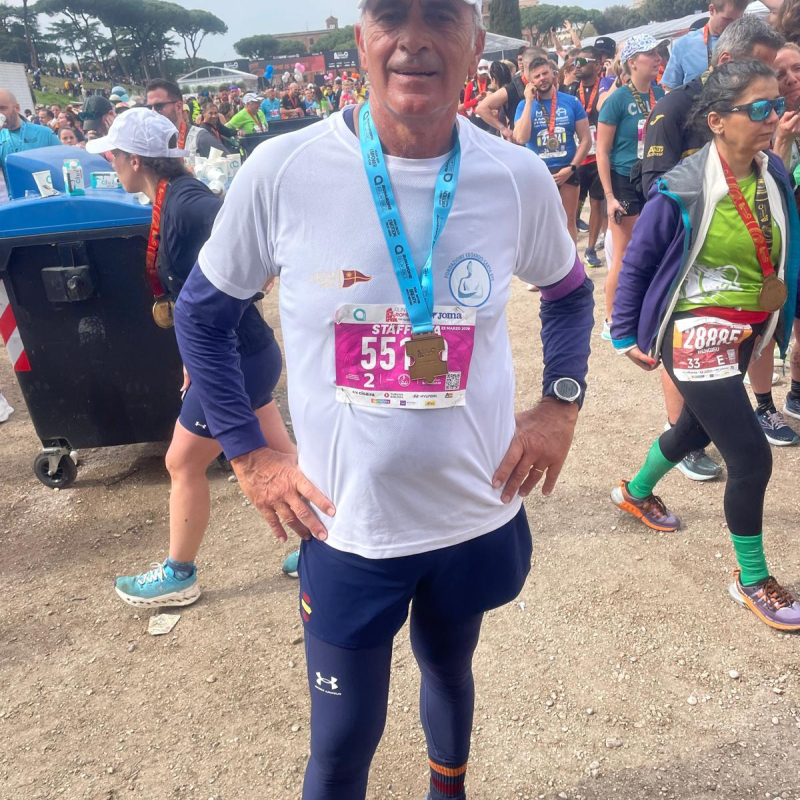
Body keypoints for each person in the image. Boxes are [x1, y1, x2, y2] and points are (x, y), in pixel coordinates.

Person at [172, 0, 593, 796]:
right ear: (361, 38)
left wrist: (559, 406)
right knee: (342, 741)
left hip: (472, 511)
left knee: (450, 669)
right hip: (349, 525)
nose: (414, 40)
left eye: (440, 16)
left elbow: (569, 295)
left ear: (475, 41)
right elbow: (201, 316)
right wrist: (251, 455)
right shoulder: (284, 169)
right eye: (391, 14)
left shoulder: (515, 176)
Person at [610, 61, 800, 631]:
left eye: (777, 105)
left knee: (695, 429)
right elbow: (639, 262)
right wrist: (625, 333)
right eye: (759, 108)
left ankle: (635, 491)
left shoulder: (772, 172)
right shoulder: (683, 187)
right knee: (750, 457)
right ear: (717, 120)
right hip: (694, 331)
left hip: (745, 330)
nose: (773, 118)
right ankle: (751, 579)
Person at [96, 109, 294, 608]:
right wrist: (194, 357)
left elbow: (240, 225)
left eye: (113, 154)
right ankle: (329, 542)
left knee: (181, 462)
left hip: (236, 359)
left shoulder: (185, 202)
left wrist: (265, 272)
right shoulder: (171, 198)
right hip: (243, 354)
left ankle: (179, 574)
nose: (109, 163)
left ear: (134, 160)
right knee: (285, 458)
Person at [596, 35, 665, 342]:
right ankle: (611, 319)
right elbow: (602, 152)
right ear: (633, 62)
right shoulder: (617, 100)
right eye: (650, 53)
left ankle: (641, 312)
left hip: (652, 178)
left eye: (658, 53)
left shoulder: (659, 93)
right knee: (624, 254)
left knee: (652, 249)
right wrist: (609, 197)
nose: (658, 58)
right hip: (623, 180)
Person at [513, 56, 591, 242]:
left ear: (553, 74)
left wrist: (572, 168)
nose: (542, 78)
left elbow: (586, 140)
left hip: (567, 169)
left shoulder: (571, 102)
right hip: (538, 172)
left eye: (545, 73)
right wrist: (529, 101)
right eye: (537, 76)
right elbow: (521, 138)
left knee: (568, 219)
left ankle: (572, 260)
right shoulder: (524, 105)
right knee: (541, 223)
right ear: (531, 81)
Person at [567, 46, 606, 267]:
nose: (577, 66)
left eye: (582, 62)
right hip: (577, 157)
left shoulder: (605, 88)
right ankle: (570, 252)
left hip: (599, 156)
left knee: (597, 203)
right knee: (572, 208)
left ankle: (590, 249)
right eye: (575, 62)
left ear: (597, 65)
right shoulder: (571, 90)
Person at [661, 0, 750, 89]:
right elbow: (670, 89)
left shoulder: (746, 43)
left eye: (737, 20)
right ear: (712, 10)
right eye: (727, 19)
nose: (732, 25)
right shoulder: (684, 45)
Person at [475, 47, 546, 137]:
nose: (547, 66)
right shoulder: (513, 87)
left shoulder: (545, 85)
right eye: (543, 62)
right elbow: (481, 109)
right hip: (521, 141)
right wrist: (503, 129)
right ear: (531, 64)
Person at [0, 89, 60, 180]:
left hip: (45, 188)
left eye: (2, 108)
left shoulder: (44, 133)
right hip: (13, 189)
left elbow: (62, 165)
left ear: (17, 108)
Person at [145, 79, 189, 149]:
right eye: (149, 107)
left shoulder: (200, 140)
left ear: (178, 107)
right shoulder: (146, 142)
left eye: (159, 106)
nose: (152, 112)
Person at [463, 59, 492, 131]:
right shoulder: (470, 84)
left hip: (489, 115)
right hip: (476, 117)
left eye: (485, 74)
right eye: (481, 74)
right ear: (476, 72)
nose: (483, 76)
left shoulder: (491, 82)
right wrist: (477, 99)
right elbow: (466, 105)